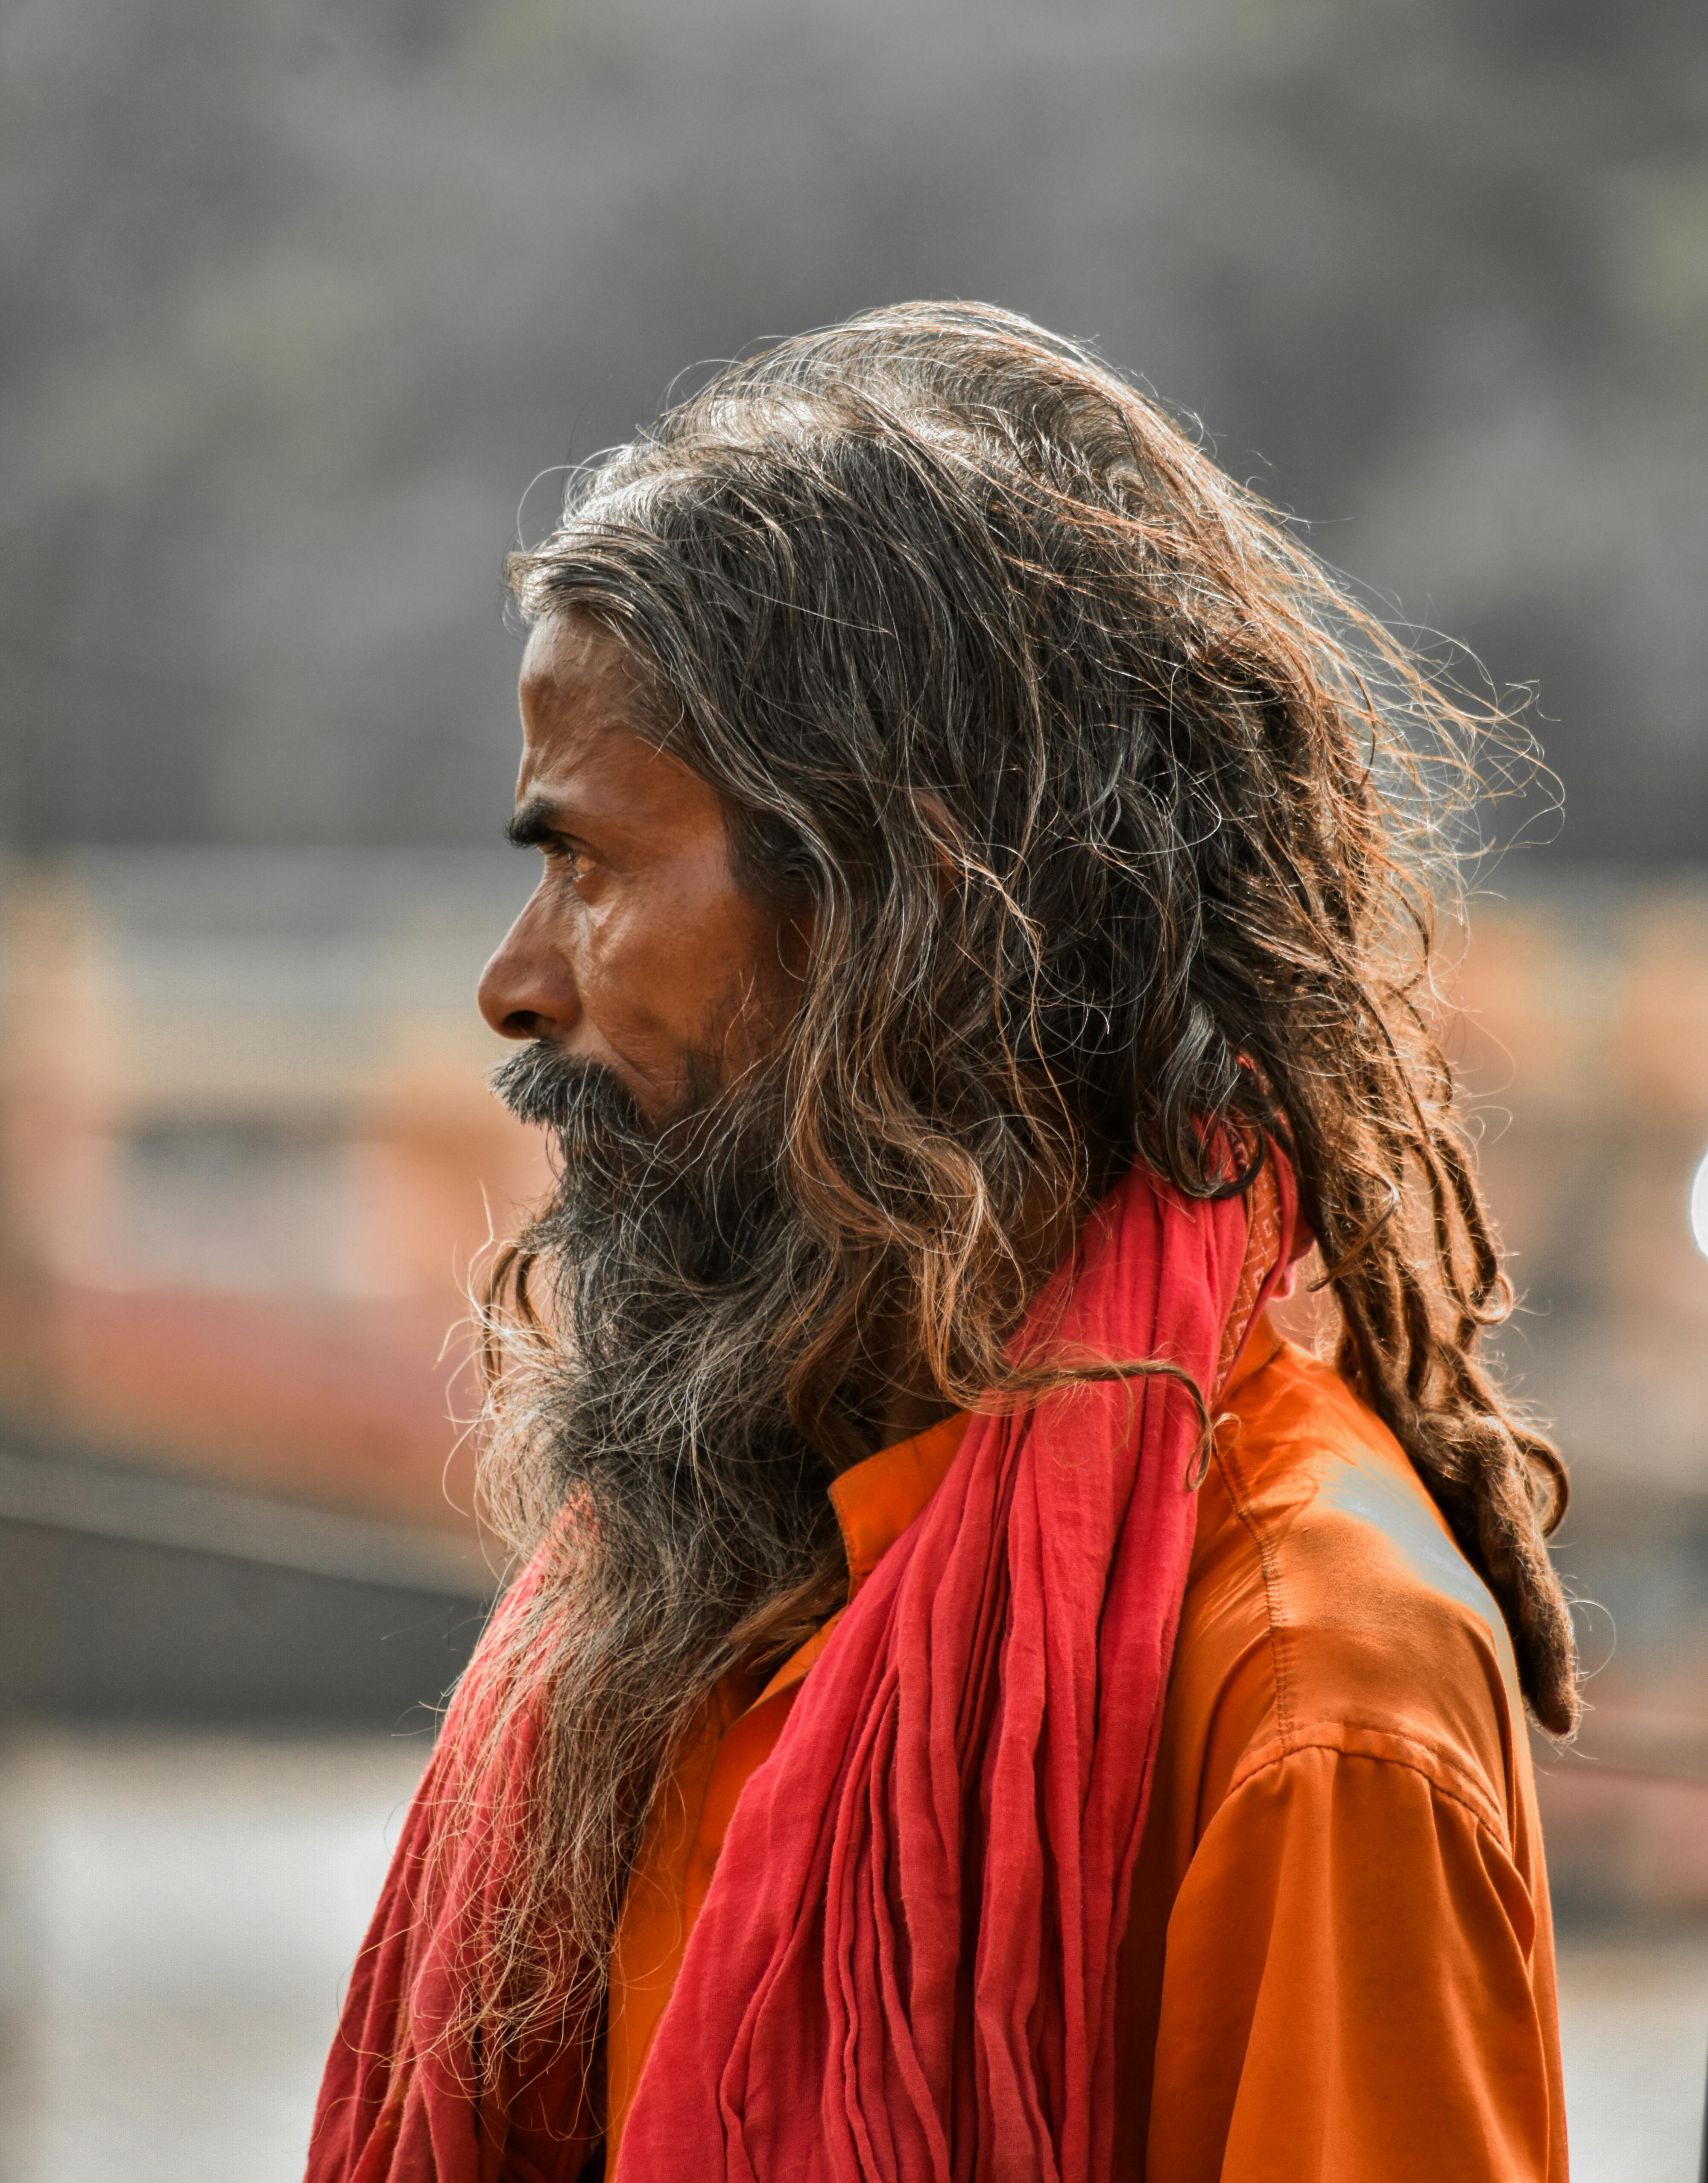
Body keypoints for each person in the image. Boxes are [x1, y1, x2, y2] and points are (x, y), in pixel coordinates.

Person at [307, 302, 1574, 2182]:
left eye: (584, 867)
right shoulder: (720, 1580)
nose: (513, 986)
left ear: (899, 914)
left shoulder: (1316, 1693)